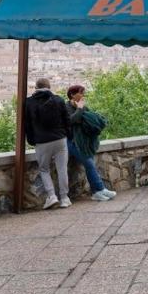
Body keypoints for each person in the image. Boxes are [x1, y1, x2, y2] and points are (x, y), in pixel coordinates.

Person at [24, 78, 72, 210]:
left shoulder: (29, 102)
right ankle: (64, 198)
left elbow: (27, 124)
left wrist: (31, 140)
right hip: (60, 139)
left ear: (36, 88)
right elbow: (67, 120)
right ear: (49, 87)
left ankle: (52, 196)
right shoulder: (58, 100)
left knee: (44, 169)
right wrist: (68, 135)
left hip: (42, 141)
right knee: (62, 169)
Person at [65, 85, 116, 201]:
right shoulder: (66, 107)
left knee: (90, 164)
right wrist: (79, 109)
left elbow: (89, 118)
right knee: (89, 163)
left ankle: (97, 191)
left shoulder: (82, 106)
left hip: (84, 142)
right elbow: (71, 121)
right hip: (72, 142)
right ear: (72, 94)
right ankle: (99, 189)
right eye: (81, 93)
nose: (83, 95)